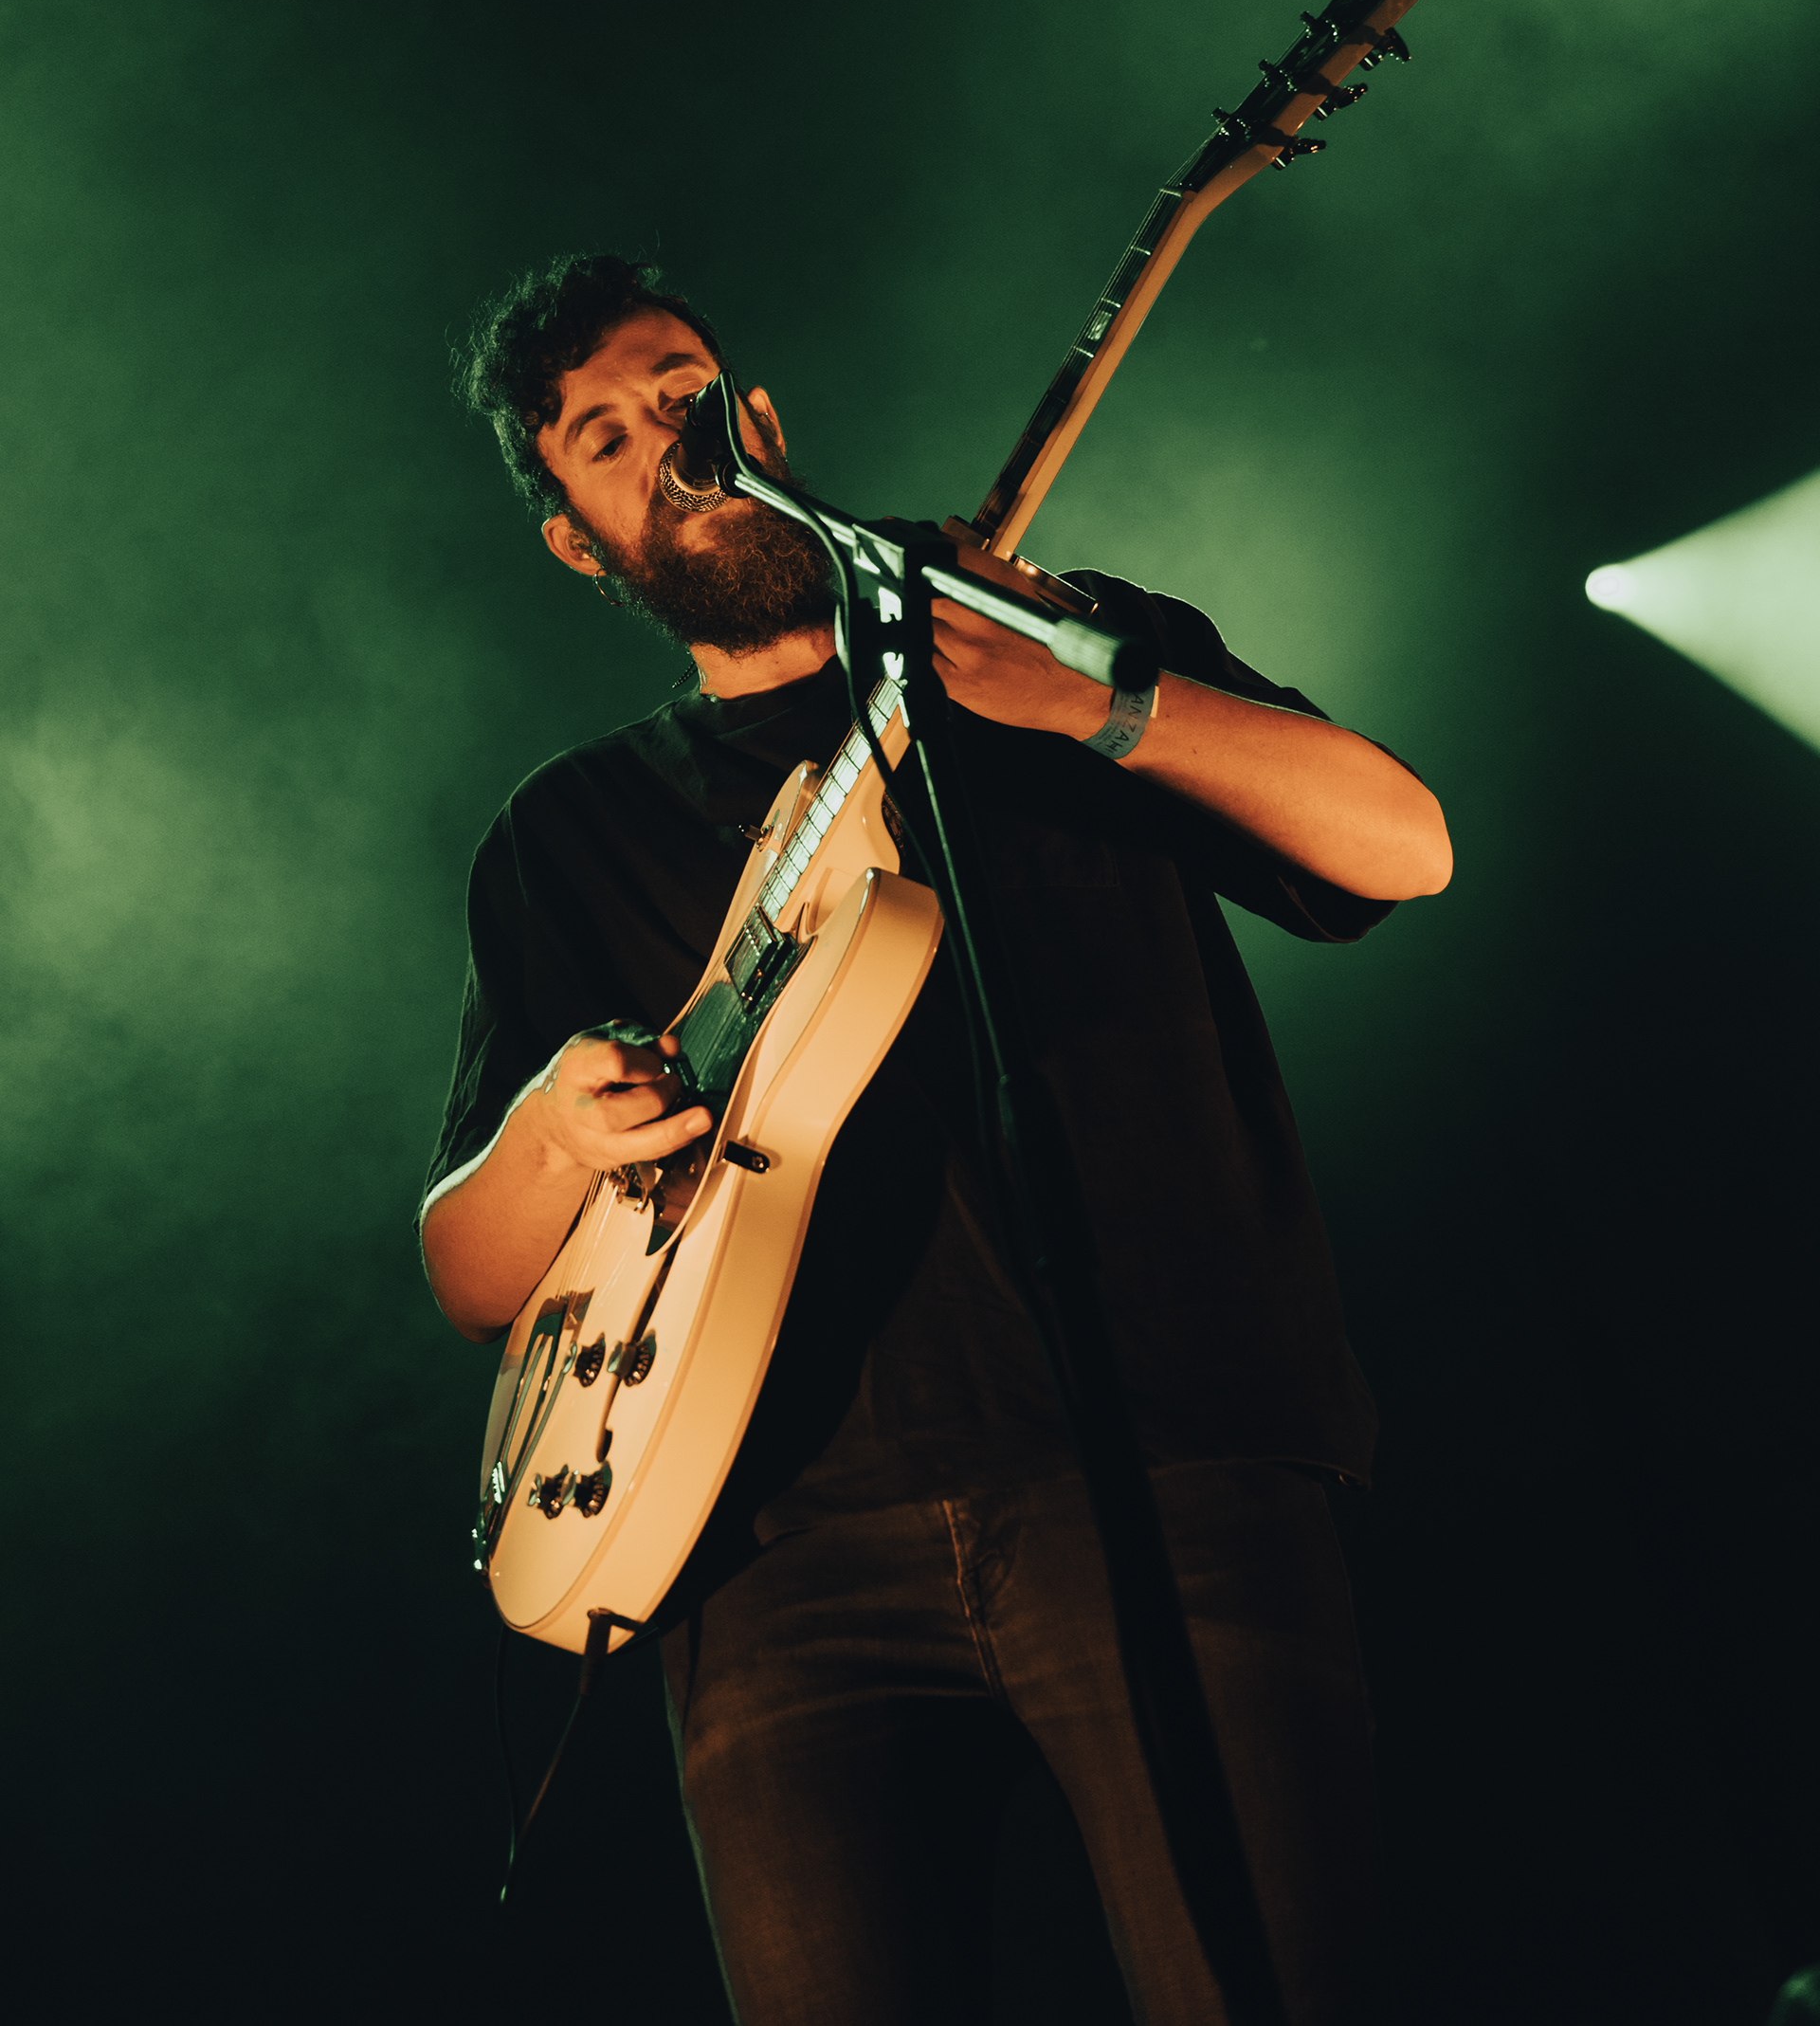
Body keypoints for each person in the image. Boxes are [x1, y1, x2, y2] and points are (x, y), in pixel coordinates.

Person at [420, 251, 1452, 2026]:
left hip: (1163, 1466)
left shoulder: (1038, 629)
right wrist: (550, 1129)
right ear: (577, 540)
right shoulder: (566, 832)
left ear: (759, 418)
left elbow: (1404, 844)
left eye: (682, 389)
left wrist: (1102, 703)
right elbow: (467, 1272)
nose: (666, 435)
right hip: (767, 1558)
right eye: (604, 435)